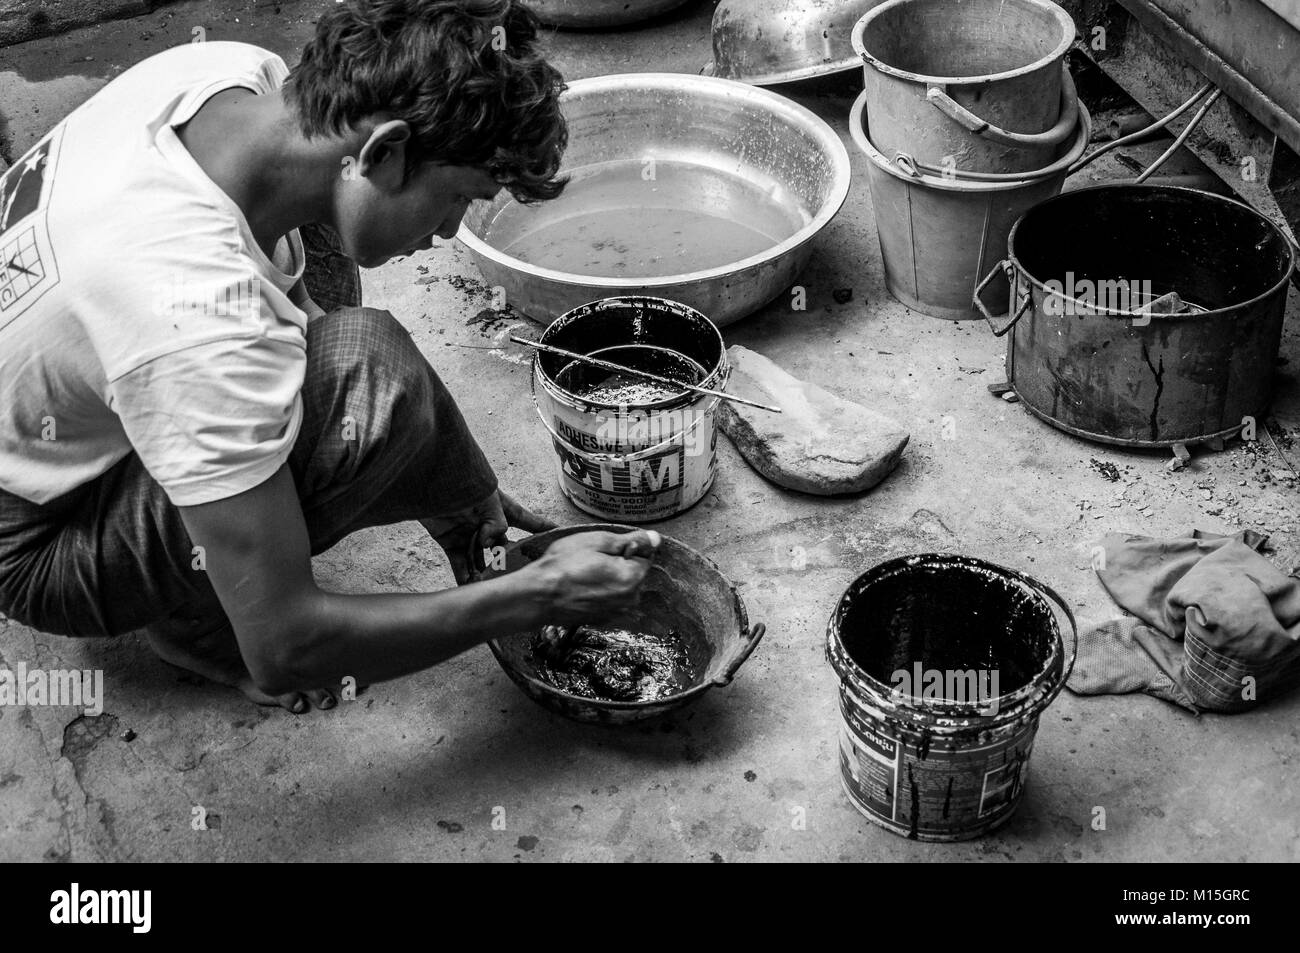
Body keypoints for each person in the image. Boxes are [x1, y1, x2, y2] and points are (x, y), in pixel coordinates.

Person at [0, 0, 657, 714]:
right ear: (386, 151)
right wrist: (532, 597)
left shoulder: (223, 76)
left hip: (78, 398)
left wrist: (455, 488)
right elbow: (288, 648)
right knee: (372, 374)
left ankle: (216, 505)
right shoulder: (193, 312)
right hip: (42, 540)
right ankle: (194, 620)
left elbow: (299, 290)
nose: (447, 231)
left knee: (321, 247)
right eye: (459, 198)